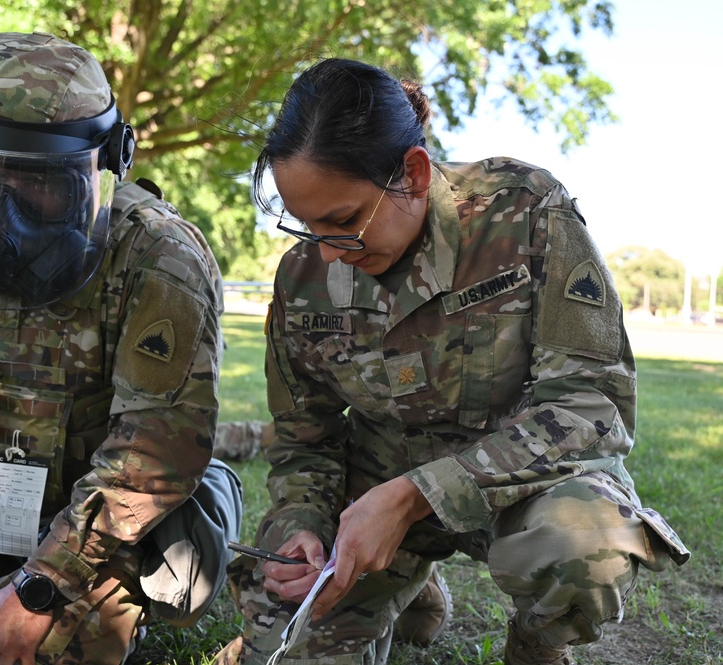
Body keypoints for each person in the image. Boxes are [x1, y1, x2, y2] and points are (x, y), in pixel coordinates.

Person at [218, 58, 690, 665]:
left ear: (413, 175)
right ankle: (407, 589)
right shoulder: (304, 277)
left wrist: (417, 496)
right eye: (306, 227)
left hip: (520, 482)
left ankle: (537, 645)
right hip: (374, 492)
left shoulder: (524, 213)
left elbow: (588, 409)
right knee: (284, 641)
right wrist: (301, 529)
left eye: (342, 222)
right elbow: (305, 441)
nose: (329, 253)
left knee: (582, 550)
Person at [0, 32, 241, 665]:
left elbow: (152, 454)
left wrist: (41, 587)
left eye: (36, 183)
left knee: (2, 652)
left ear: (98, 168)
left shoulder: (158, 259)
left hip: (111, 521)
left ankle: (212, 505)